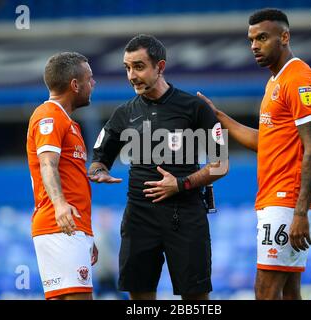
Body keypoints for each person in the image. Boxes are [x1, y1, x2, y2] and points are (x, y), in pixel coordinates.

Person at [88, 34, 229, 300]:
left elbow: (221, 165)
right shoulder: (123, 114)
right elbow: (98, 160)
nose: (131, 75)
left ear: (160, 67)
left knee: (196, 300)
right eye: (127, 68)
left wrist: (180, 184)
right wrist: (99, 172)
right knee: (140, 299)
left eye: (139, 67)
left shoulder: (194, 107)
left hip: (186, 216)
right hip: (139, 218)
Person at [198, 9, 311, 300]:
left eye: (262, 38)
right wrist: (217, 115)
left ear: (285, 37)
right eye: (251, 39)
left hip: (287, 201)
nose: (254, 45)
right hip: (276, 199)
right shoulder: (275, 81)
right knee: (290, 293)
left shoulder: (298, 80)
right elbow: (266, 141)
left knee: (264, 293)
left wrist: (300, 212)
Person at [26, 52, 98, 300]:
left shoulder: (68, 123)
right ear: (74, 85)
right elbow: (47, 164)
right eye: (90, 79)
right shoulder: (50, 116)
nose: (94, 84)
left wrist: (87, 234)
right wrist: (60, 206)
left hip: (70, 228)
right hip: (60, 227)